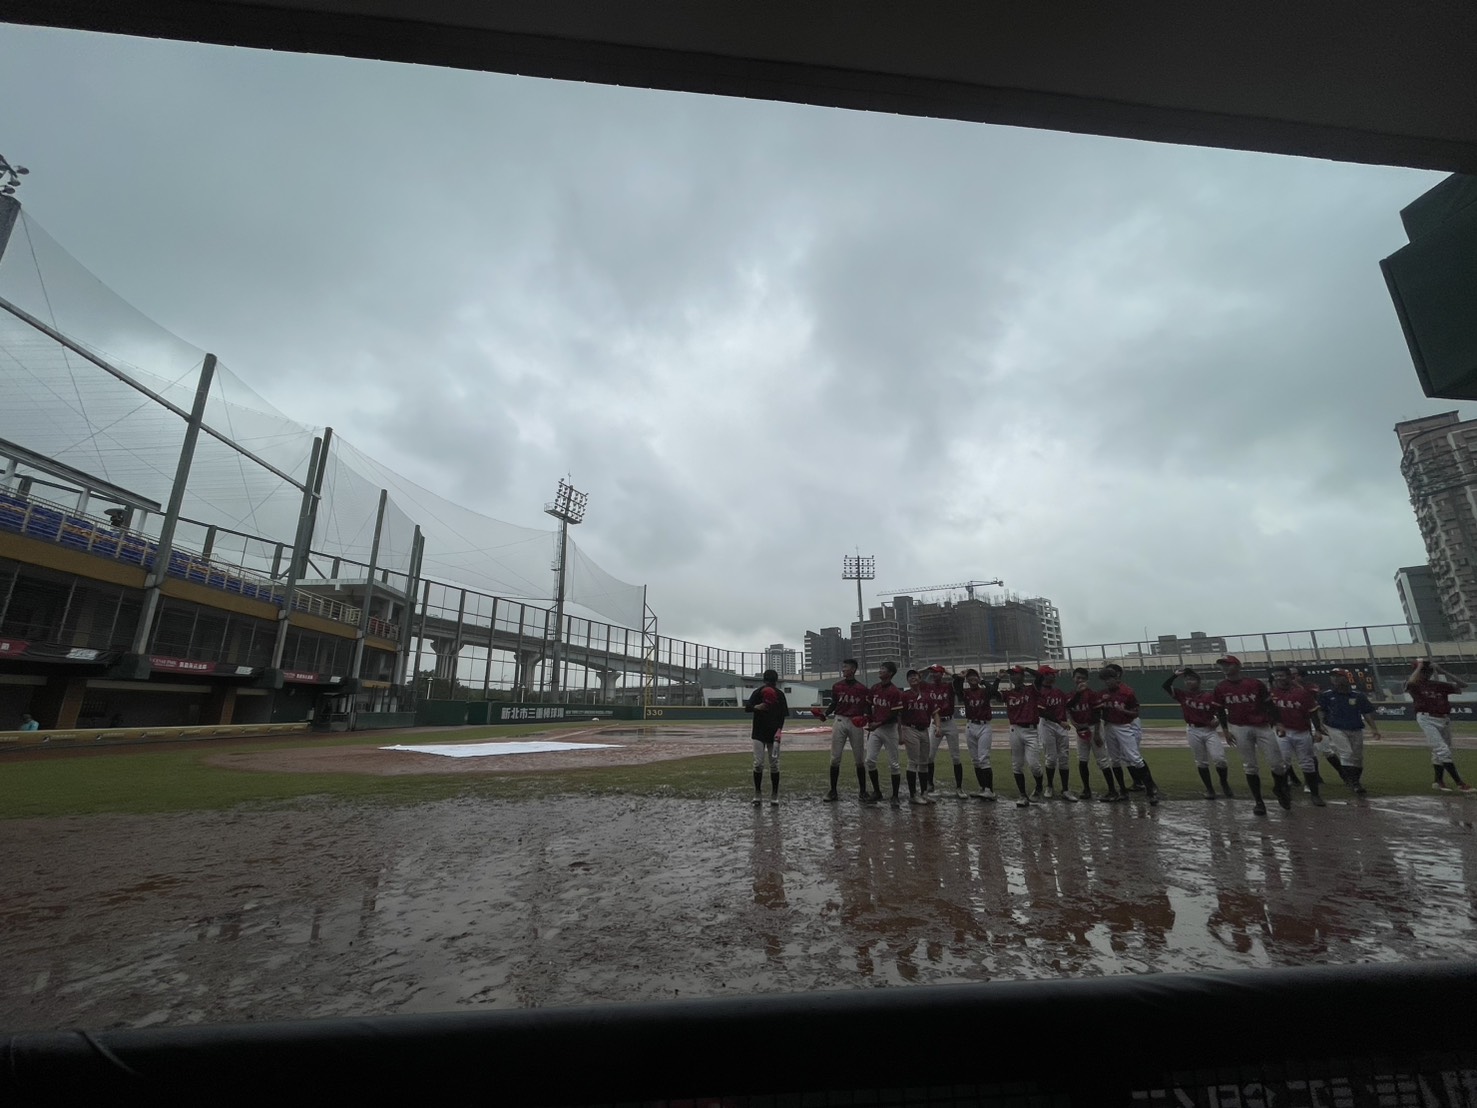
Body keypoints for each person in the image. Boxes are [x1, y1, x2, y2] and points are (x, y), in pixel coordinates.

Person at [1214, 654, 1291, 815]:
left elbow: (1270, 705)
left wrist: (1279, 723)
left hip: (1262, 726)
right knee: (1250, 766)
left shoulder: (1254, 684)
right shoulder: (1220, 687)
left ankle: (1279, 788)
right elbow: (1220, 710)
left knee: (1278, 764)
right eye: (1223, 665)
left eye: (1228, 664)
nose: (1225, 668)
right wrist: (1226, 730)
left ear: (1238, 666)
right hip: (1239, 727)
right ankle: (1258, 801)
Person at [1162, 668, 1234, 799]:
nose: (1189, 682)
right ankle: (1209, 789)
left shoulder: (1210, 696)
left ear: (1199, 682)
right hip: (1193, 730)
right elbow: (1165, 686)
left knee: (1220, 759)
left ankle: (1224, 783)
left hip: (1209, 731)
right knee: (1201, 762)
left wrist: (1218, 721)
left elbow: (1222, 712)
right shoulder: (1182, 695)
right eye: (1187, 680)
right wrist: (1175, 675)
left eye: (1192, 679)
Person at [1405, 659, 1475, 793]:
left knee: (1440, 752)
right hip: (1426, 718)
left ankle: (1438, 781)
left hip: (1443, 719)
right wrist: (1419, 666)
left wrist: (1442, 671)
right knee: (1443, 750)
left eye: (1429, 671)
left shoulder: (1437, 684)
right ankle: (1460, 783)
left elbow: (1463, 685)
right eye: (1425, 671)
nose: (1427, 674)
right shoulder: (1414, 684)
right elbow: (1410, 682)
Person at [1098, 667, 1160, 805]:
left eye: (1109, 679)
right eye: (1105, 680)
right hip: (1108, 727)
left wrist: (1123, 710)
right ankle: (1123, 792)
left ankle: (1151, 791)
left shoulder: (1127, 692)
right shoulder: (1102, 694)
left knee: (1135, 758)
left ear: (1116, 678)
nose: (1107, 682)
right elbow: (1099, 711)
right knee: (1114, 760)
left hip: (1124, 726)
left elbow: (1135, 713)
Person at [1316, 669, 1382, 796]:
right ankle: (1354, 783)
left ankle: (1355, 780)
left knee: (1357, 757)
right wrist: (1320, 724)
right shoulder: (1327, 695)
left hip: (1355, 727)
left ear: (1346, 678)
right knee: (1346, 753)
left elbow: (1366, 713)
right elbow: (1321, 710)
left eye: (1338, 676)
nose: (1335, 679)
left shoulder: (1358, 695)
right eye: (1333, 677)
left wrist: (1374, 729)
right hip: (1335, 727)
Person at [1269, 666, 1327, 807]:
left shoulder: (1301, 693)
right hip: (1283, 732)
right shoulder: (1271, 694)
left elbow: (1312, 712)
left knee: (1307, 763)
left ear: (1289, 677)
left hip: (1302, 731)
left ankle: (1315, 794)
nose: (1278, 679)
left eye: (1281, 675)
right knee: (1283, 762)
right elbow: (1269, 712)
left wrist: (1318, 730)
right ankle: (1284, 791)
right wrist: (1276, 723)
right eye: (1276, 676)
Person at [822, 659, 871, 803]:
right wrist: (825, 714)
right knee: (835, 757)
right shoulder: (837, 686)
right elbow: (834, 703)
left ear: (854, 669)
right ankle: (833, 791)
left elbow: (867, 707)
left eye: (846, 667)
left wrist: (867, 718)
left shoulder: (862, 689)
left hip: (856, 721)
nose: (843, 669)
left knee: (859, 759)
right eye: (843, 667)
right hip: (840, 719)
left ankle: (863, 791)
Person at [1067, 668, 1117, 801]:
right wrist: (1073, 723)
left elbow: (1096, 714)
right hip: (1080, 730)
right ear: (1073, 678)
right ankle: (1086, 789)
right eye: (1078, 677)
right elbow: (1069, 708)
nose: (1080, 680)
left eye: (1082, 678)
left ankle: (1112, 790)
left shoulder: (1092, 694)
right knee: (1082, 760)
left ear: (1086, 680)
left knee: (1102, 760)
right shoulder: (1072, 694)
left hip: (1093, 728)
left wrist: (1097, 734)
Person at [863, 661, 908, 808]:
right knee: (869, 760)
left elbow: (895, 713)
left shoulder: (894, 691)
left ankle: (895, 796)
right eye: (880, 668)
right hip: (876, 728)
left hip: (889, 728)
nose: (880, 670)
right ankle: (877, 792)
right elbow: (868, 705)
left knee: (894, 764)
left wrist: (878, 723)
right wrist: (869, 720)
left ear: (890, 673)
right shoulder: (875, 688)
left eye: (883, 669)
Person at [1031, 666, 1078, 802]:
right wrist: (1060, 722)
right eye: (1052, 674)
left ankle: (1065, 789)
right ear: (1045, 676)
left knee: (1064, 758)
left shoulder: (1057, 691)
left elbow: (1069, 704)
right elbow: (1041, 712)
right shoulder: (1039, 692)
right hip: (1047, 725)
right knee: (1051, 758)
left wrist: (1079, 693)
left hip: (1061, 726)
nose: (1054, 676)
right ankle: (1049, 786)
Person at [742, 670, 788, 806]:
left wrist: (779, 730)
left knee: (774, 764)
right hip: (758, 733)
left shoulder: (779, 695)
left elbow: (782, 715)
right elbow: (747, 707)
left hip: (774, 733)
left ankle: (774, 794)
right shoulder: (758, 693)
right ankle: (758, 793)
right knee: (758, 763)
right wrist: (757, 707)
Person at [1001, 666, 1042, 807]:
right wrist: (997, 678)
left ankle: (1039, 787)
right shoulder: (1008, 693)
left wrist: (1026, 668)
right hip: (1015, 730)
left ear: (1023, 676)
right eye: (1012, 675)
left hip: (1031, 731)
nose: (1013, 677)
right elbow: (992, 692)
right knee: (1017, 765)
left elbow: (1040, 676)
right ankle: (1022, 795)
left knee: (1034, 765)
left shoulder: (1031, 689)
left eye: (1016, 674)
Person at [925, 665, 965, 798]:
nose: (934, 675)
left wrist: (948, 671)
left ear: (942, 674)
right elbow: (914, 677)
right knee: (929, 755)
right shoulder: (928, 686)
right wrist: (926, 669)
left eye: (937, 673)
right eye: (933, 673)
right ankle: (930, 783)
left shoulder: (948, 686)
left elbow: (959, 679)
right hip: (934, 723)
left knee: (955, 756)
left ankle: (959, 787)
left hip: (949, 722)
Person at [961, 668, 1000, 799]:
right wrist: (962, 677)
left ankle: (990, 790)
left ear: (978, 678)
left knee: (983, 758)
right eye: (970, 677)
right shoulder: (965, 692)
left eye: (975, 676)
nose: (972, 678)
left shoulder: (984, 691)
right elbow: (956, 687)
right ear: (967, 680)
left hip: (984, 726)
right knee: (975, 760)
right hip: (970, 725)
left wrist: (984, 680)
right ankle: (982, 788)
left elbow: (994, 691)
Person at [899, 670, 935, 805]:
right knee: (913, 761)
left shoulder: (927, 696)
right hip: (910, 728)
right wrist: (900, 733)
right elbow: (899, 715)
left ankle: (924, 793)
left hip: (924, 730)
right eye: (910, 676)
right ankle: (913, 794)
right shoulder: (904, 695)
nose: (913, 678)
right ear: (907, 681)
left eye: (915, 676)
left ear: (920, 679)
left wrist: (937, 726)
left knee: (924, 762)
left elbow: (933, 712)